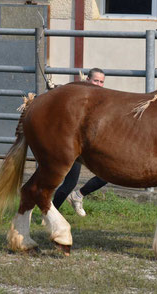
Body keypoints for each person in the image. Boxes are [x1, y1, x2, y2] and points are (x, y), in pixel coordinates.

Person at [52, 68, 107, 217]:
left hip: (93, 146)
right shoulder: (78, 95)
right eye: (96, 80)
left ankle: (78, 196)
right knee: (69, 183)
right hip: (74, 145)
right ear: (88, 80)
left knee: (106, 175)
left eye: (102, 82)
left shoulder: (103, 100)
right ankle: (51, 213)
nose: (99, 84)